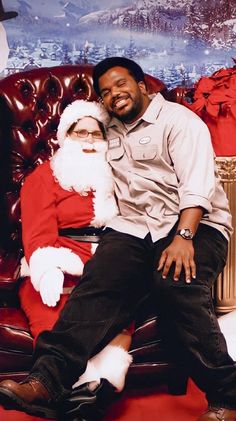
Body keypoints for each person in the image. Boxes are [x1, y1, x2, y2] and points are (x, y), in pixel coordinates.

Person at [0, 57, 235, 421]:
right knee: (101, 280)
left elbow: (197, 187)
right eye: (106, 92)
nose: (114, 95)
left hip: (195, 224)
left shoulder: (180, 122)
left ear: (142, 85)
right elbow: (78, 141)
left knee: (174, 281)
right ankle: (47, 380)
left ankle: (226, 394)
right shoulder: (106, 126)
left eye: (121, 85)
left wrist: (184, 237)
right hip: (134, 227)